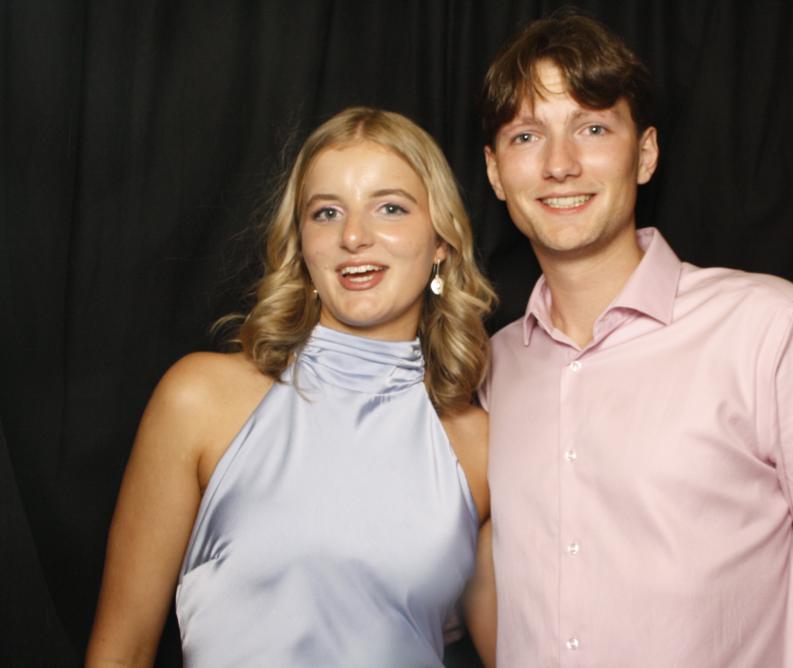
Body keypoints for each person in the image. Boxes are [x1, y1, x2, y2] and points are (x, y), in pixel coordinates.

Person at [477, 10, 793, 667]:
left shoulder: (770, 332)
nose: (560, 164)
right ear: (495, 173)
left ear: (645, 154)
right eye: (526, 136)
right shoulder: (492, 371)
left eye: (592, 128)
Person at [86, 107, 497, 667]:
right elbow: (121, 651)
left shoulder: (477, 445)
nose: (354, 236)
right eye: (327, 212)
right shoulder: (200, 400)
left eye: (390, 208)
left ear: (441, 240)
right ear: (302, 243)